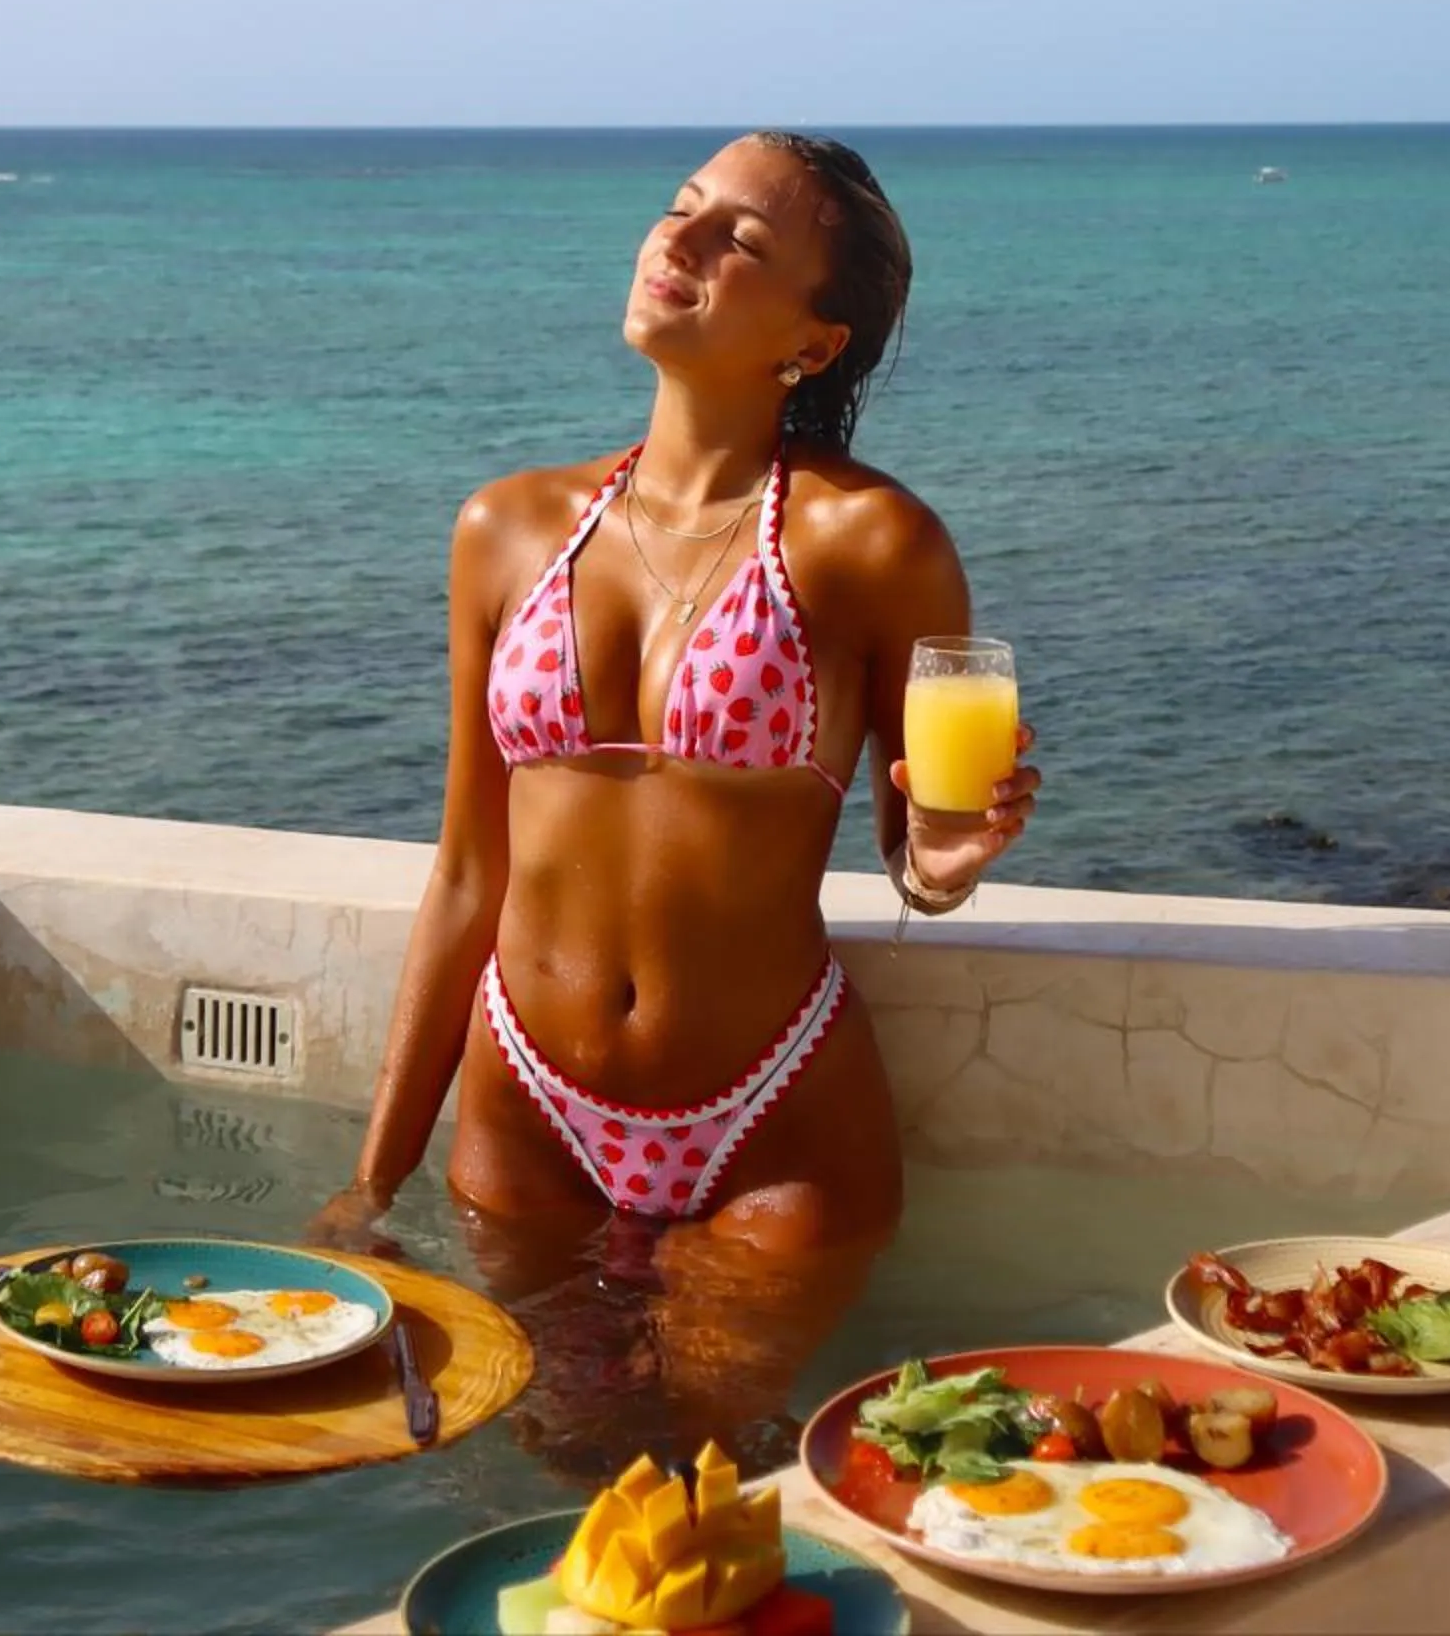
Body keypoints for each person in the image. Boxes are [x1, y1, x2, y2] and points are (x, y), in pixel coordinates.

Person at [317, 133, 1040, 1278]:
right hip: (524, 1102)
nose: (677, 237)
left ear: (815, 341)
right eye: (681, 207)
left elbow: (918, 856)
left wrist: (949, 860)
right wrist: (375, 1181)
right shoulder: (504, 529)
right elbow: (466, 873)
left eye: (740, 239)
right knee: (530, 1452)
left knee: (723, 1454)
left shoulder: (871, 543)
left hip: (773, 1117)